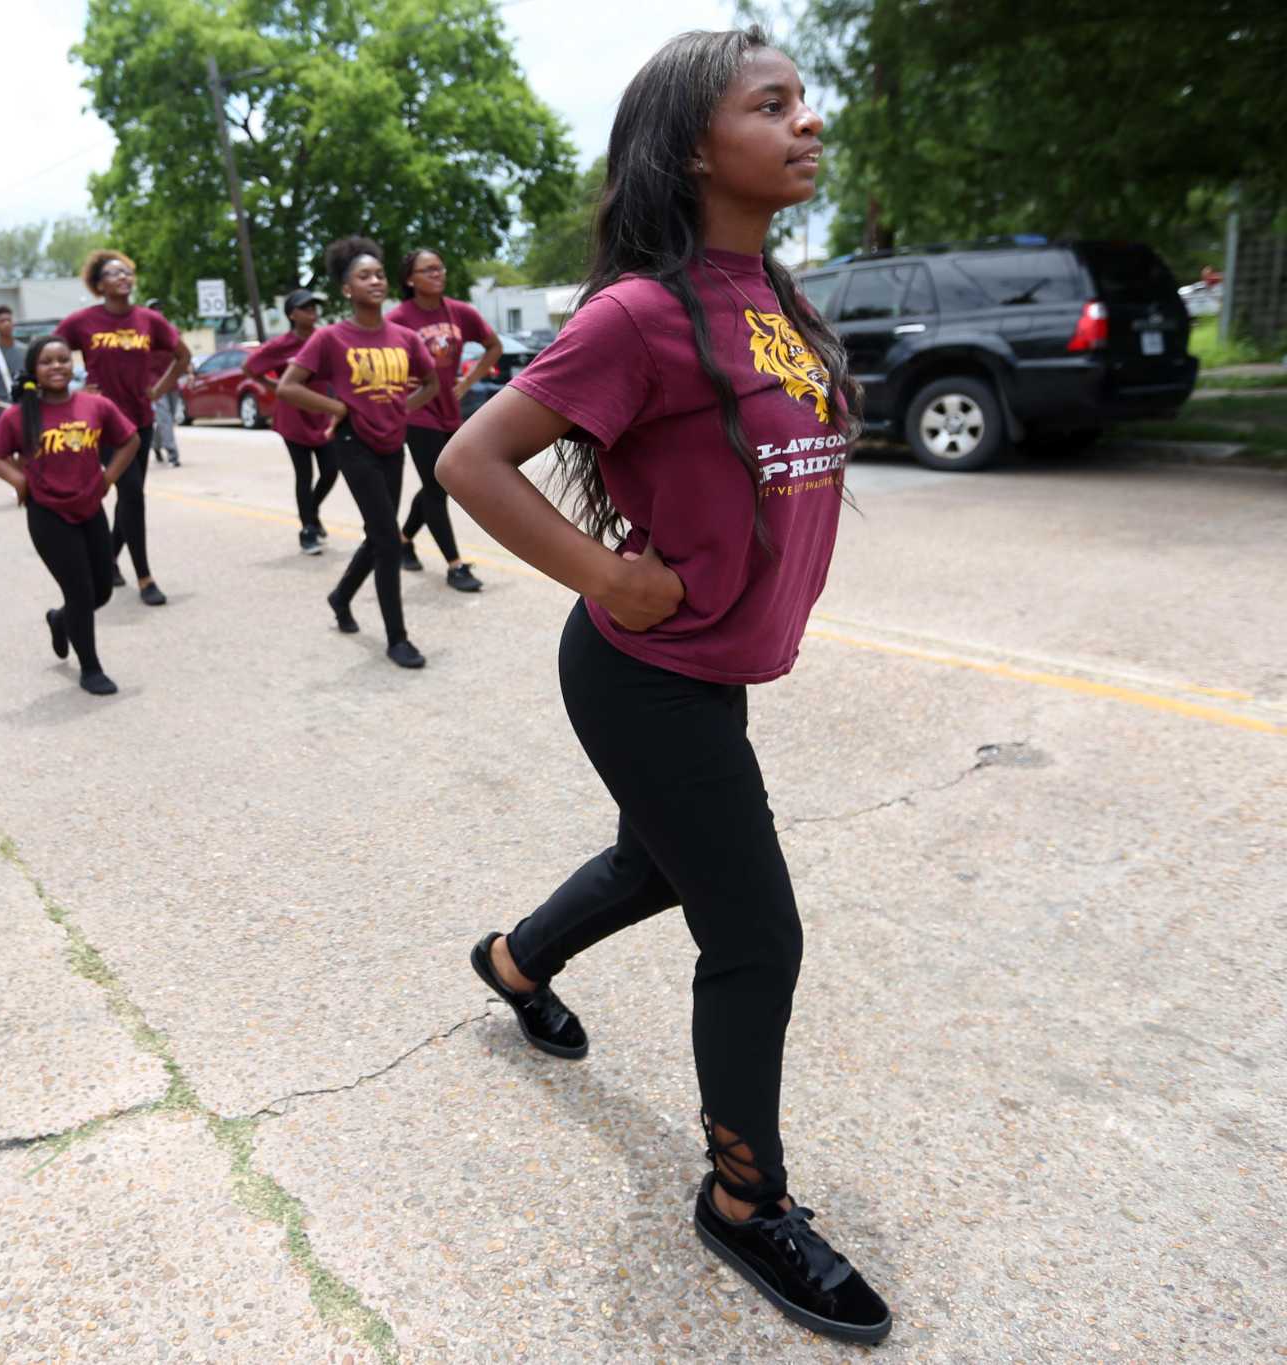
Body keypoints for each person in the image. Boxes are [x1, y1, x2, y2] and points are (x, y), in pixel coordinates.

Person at [435, 28, 889, 1345]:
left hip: (709, 666)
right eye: (773, 105)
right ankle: (745, 1202)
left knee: (659, 860)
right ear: (696, 145)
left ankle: (515, 963)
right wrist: (604, 573)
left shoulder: (772, 296)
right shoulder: (640, 314)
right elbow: (474, 458)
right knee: (755, 936)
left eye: (806, 101)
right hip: (644, 673)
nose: (808, 123)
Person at [275, 237, 437, 669]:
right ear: (347, 289)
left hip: (392, 444)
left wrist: (404, 409)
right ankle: (397, 638)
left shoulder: (404, 337)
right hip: (353, 444)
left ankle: (340, 596)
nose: (375, 281)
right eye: (364, 276)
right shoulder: (331, 338)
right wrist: (337, 407)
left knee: (379, 532)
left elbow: (432, 383)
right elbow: (287, 385)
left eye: (380, 275)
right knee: (387, 539)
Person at [0, 335, 139, 696]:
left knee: (101, 592)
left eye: (64, 360)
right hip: (48, 514)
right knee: (80, 591)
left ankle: (60, 619)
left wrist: (108, 477)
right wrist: (19, 479)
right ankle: (91, 668)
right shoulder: (20, 415)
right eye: (48, 361)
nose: (57, 367)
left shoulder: (95, 405)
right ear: (34, 369)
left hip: (90, 507)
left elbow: (129, 440)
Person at [58, 250, 191, 606]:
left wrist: (159, 390)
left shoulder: (148, 320)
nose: (123, 278)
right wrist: (74, 391)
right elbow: (48, 353)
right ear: (99, 284)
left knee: (129, 496)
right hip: (102, 423)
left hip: (141, 420)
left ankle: (109, 559)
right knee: (132, 492)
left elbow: (183, 356)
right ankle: (145, 578)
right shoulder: (81, 322)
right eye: (114, 274)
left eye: (127, 272)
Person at [389, 248, 497, 592]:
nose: (437, 274)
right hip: (417, 411)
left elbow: (492, 346)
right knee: (438, 485)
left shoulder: (461, 312)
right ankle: (454, 565)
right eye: (427, 270)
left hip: (450, 408)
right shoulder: (397, 318)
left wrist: (466, 383)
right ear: (410, 279)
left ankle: (404, 539)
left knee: (440, 483)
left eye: (439, 268)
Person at [244, 288, 338, 554]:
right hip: (293, 417)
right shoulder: (280, 345)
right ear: (292, 315)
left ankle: (312, 510)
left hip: (322, 414)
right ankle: (308, 530)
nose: (312, 311)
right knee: (304, 475)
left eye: (314, 307)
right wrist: (275, 386)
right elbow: (249, 367)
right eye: (305, 307)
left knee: (331, 469)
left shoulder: (324, 338)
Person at [141, 299, 181, 467]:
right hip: (154, 384)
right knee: (164, 418)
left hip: (172, 381)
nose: (157, 312)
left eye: (160, 309)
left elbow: (182, 355)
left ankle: (156, 444)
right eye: (153, 309)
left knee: (168, 419)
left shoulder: (171, 331)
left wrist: (191, 373)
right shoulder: (142, 335)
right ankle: (173, 455)